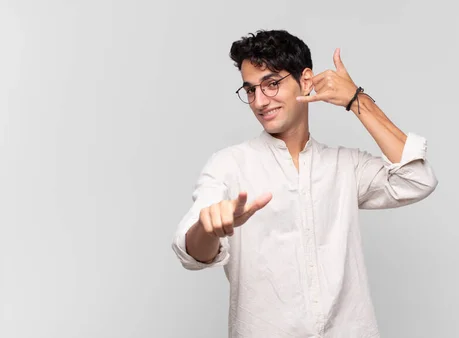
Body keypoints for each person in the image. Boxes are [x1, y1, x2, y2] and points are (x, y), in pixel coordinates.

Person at [171, 29, 438, 337]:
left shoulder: (345, 166)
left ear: (306, 80)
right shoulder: (229, 164)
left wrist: (356, 100)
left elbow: (417, 178)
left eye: (271, 84)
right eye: (250, 90)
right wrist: (208, 228)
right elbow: (192, 252)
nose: (259, 101)